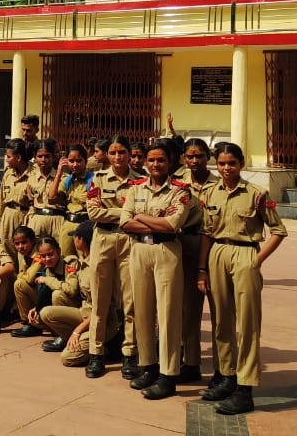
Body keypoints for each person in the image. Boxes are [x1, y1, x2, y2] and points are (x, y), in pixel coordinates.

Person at [197, 143, 287, 416]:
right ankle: (227, 377)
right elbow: (206, 234)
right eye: (222, 164)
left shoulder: (258, 195)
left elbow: (278, 231)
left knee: (247, 323)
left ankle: (245, 389)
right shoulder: (209, 192)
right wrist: (202, 269)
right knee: (221, 320)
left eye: (232, 163)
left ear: (242, 163)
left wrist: (256, 261)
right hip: (217, 254)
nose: (226, 169)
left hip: (245, 254)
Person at [119, 141, 191, 400]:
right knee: (142, 310)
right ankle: (148, 366)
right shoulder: (135, 188)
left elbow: (172, 224)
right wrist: (152, 223)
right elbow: (124, 222)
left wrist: (141, 219)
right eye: (151, 160)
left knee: (168, 313)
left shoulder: (181, 191)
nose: (155, 164)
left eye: (161, 160)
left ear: (170, 162)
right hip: (138, 251)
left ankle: (168, 374)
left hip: (166, 252)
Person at [85, 134, 140, 379]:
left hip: (130, 241)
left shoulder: (140, 182)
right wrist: (127, 211)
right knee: (100, 300)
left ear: (130, 154)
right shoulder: (97, 179)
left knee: (131, 301)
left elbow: (144, 211)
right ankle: (97, 353)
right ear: (107, 155)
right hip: (103, 240)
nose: (117, 157)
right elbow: (94, 212)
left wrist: (116, 213)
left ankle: (129, 352)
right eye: (113, 153)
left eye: (122, 152)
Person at [177, 137, 219, 384]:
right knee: (188, 310)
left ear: (208, 157)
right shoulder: (178, 183)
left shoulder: (220, 182)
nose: (194, 161)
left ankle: (221, 368)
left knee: (218, 312)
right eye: (190, 157)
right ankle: (191, 363)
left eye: (199, 156)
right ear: (183, 158)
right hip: (186, 245)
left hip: (214, 248)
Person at [39, 224, 95, 367]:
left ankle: (102, 349)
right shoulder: (83, 261)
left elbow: (72, 290)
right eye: (43, 256)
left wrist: (77, 331)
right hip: (84, 312)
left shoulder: (86, 264)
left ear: (81, 240)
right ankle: (70, 338)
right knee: (46, 313)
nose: (47, 258)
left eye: (75, 237)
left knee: (67, 358)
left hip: (97, 319)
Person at [50, 144, 94, 257]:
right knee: (66, 259)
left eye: (79, 160)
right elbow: (52, 197)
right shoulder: (67, 180)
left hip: (85, 226)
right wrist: (59, 172)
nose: (75, 165)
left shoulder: (93, 180)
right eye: (71, 161)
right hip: (68, 224)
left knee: (85, 259)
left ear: (85, 161)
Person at [0, 139, 35, 262]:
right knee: (6, 252)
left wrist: (29, 224)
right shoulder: (8, 173)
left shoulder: (33, 174)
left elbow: (35, 203)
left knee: (24, 254)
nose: (6, 160)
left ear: (18, 157)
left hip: (24, 217)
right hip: (7, 217)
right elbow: (1, 200)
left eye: (8, 156)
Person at [9, 226, 45, 338]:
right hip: (37, 291)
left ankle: (30, 324)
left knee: (19, 284)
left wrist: (20, 275)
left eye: (24, 242)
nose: (20, 247)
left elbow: (29, 278)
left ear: (33, 241)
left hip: (47, 295)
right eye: (17, 243)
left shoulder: (39, 253)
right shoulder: (23, 254)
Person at [26, 139, 63, 240]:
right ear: (35, 157)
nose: (43, 160)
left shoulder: (63, 178)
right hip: (37, 219)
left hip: (57, 220)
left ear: (53, 157)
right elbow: (31, 201)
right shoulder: (31, 179)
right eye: (39, 156)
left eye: (47, 156)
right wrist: (31, 219)